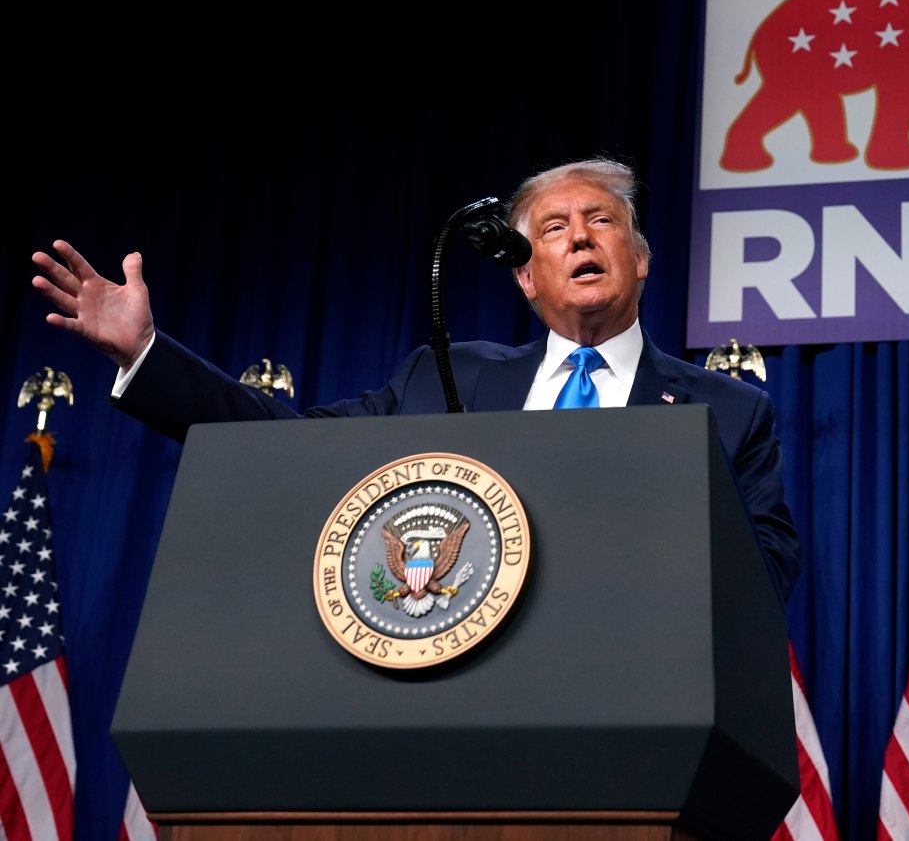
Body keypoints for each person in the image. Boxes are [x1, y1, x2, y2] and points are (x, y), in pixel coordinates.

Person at [31, 157, 800, 600]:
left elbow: (764, 580)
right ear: (525, 276)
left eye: (601, 221)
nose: (580, 238)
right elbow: (291, 443)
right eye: (555, 230)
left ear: (639, 258)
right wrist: (147, 352)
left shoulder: (728, 410)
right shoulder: (443, 375)